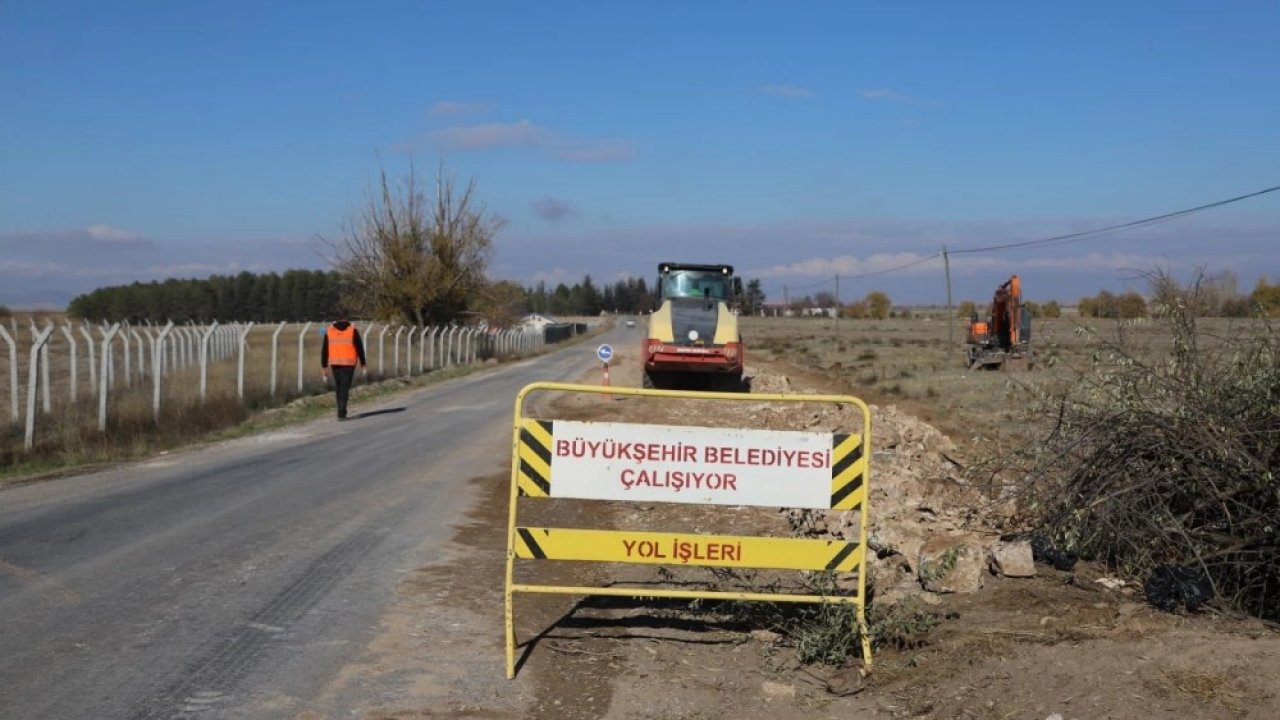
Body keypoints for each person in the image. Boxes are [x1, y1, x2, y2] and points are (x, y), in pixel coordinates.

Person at [320, 311, 367, 420]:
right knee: (345, 388)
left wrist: (324, 366)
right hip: (349, 363)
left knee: (339, 387)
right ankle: (342, 412)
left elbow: (324, 350)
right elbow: (360, 348)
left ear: (337, 318)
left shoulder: (330, 331)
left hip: (334, 363)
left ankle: (340, 411)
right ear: (347, 318)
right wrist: (363, 363)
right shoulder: (352, 330)